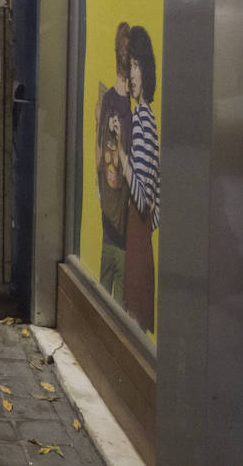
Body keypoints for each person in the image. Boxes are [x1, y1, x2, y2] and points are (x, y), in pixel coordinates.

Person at [116, 24, 159, 333]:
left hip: (138, 236)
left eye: (135, 65)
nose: (131, 74)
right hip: (139, 237)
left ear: (145, 69)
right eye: (129, 65)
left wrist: (120, 150)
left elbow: (143, 198)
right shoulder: (143, 117)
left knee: (135, 321)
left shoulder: (144, 118)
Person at [96, 23, 133, 308]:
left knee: (108, 265)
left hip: (109, 201)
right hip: (118, 204)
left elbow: (99, 153)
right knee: (117, 267)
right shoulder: (124, 106)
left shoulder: (109, 98)